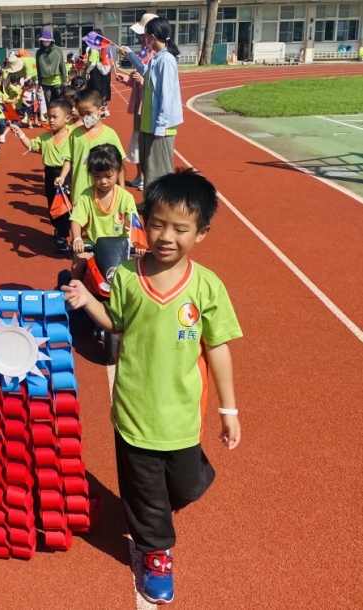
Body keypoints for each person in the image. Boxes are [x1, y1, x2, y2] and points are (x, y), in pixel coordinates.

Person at [63, 168, 242, 605]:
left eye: (181, 228)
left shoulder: (207, 286)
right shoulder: (125, 277)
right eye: (158, 223)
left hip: (182, 416)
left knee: (186, 487)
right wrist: (89, 304)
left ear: (201, 232)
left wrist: (228, 409)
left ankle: (154, 514)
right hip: (134, 413)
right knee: (146, 495)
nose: (166, 236)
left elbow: (217, 347)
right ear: (144, 221)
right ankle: (156, 552)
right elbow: (116, 326)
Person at [120, 17, 182, 187]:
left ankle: (161, 206)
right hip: (148, 124)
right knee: (149, 168)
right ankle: (150, 203)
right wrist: (131, 56)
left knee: (159, 171)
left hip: (159, 126)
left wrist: (161, 125)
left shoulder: (166, 60)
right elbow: (146, 72)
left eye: (145, 35)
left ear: (153, 36)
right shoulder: (156, 58)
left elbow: (167, 96)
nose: (144, 39)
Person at [68, 144, 142, 279]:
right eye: (97, 176)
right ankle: (75, 288)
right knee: (78, 263)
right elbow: (76, 219)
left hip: (120, 246)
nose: (103, 181)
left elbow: (134, 221)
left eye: (108, 176)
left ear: (119, 172)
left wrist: (140, 242)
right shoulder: (86, 196)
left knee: (141, 266)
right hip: (93, 245)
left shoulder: (125, 197)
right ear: (91, 174)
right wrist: (77, 239)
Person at [10, 99, 74, 253]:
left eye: (55, 117)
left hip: (66, 173)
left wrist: (64, 176)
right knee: (52, 203)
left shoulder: (73, 135)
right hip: (50, 173)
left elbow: (71, 159)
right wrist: (21, 134)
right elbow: (32, 146)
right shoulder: (45, 137)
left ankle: (63, 236)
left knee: (64, 205)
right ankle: (57, 228)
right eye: (48, 117)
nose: (51, 120)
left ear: (67, 118)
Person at [55, 88, 125, 206]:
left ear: (101, 110)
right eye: (81, 114)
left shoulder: (110, 134)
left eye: (89, 113)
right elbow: (68, 158)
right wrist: (62, 176)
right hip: (79, 190)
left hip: (104, 190)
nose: (85, 117)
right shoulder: (75, 134)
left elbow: (119, 164)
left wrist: (121, 186)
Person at [83, 30, 114, 117]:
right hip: (104, 71)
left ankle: (101, 110)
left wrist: (88, 71)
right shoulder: (104, 49)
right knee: (102, 91)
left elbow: (94, 63)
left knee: (97, 92)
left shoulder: (98, 49)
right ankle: (104, 109)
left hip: (99, 72)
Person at [35, 30, 67, 106]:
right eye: (44, 41)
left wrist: (65, 80)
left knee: (58, 101)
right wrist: (40, 83)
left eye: (48, 40)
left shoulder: (58, 50)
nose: (46, 42)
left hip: (57, 80)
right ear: (41, 41)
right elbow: (38, 68)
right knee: (49, 102)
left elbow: (62, 65)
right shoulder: (38, 53)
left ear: (51, 41)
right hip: (45, 82)